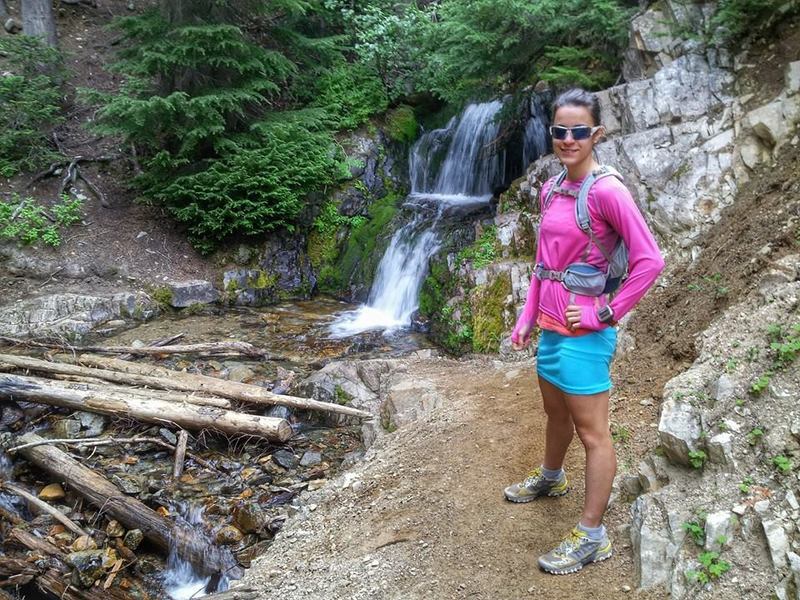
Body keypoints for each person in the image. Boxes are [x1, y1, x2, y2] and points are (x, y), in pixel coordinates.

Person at [505, 88, 665, 575]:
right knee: (556, 413)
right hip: (552, 328)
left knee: (594, 434)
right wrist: (527, 315)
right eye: (560, 131)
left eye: (579, 131)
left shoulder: (608, 191)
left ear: (596, 134)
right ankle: (552, 477)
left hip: (585, 334)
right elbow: (543, 264)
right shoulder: (551, 188)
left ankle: (593, 535)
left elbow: (650, 261)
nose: (568, 139)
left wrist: (605, 314)